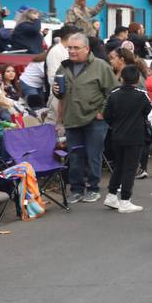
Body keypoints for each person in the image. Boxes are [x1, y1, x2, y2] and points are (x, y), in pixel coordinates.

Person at [58, 34, 116, 203]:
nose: (72, 51)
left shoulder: (101, 66)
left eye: (76, 48)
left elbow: (112, 92)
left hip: (94, 119)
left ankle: (93, 188)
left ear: (87, 49)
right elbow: (59, 94)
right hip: (72, 118)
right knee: (75, 156)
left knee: (93, 155)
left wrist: (102, 112)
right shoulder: (64, 67)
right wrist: (56, 91)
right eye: (69, 48)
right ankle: (76, 189)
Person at [102, 65, 151, 213]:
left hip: (117, 135)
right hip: (135, 137)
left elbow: (107, 115)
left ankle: (111, 195)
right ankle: (125, 200)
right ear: (137, 79)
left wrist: (115, 125)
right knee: (130, 168)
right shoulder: (142, 95)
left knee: (119, 166)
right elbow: (148, 111)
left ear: (121, 78)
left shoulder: (114, 94)